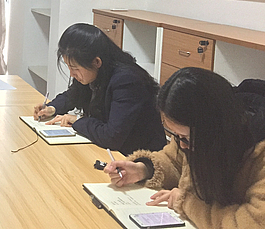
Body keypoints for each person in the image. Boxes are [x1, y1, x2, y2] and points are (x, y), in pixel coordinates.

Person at [104, 68, 265, 228]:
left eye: (186, 138)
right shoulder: (195, 136)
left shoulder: (258, 154)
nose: (181, 145)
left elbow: (251, 223)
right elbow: (173, 160)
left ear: (213, 128)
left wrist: (186, 202)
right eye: (176, 135)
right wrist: (142, 169)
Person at [33, 23, 166, 155]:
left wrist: (78, 120)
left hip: (139, 158)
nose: (72, 74)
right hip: (111, 150)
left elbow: (111, 137)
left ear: (97, 62)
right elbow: (74, 94)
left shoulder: (127, 81)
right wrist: (52, 108)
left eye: (75, 68)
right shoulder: (95, 72)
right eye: (68, 66)